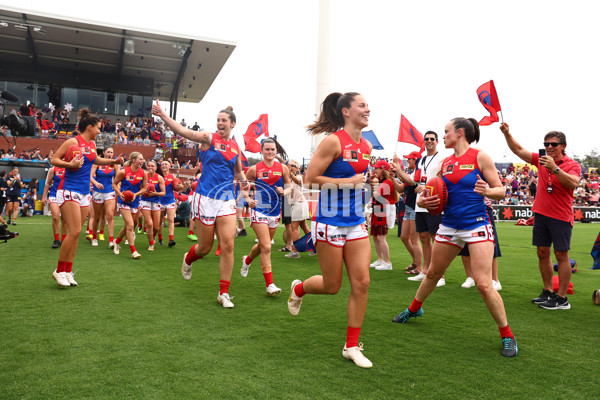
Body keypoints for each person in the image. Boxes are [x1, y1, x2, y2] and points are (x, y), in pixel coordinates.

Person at [392, 117, 517, 358]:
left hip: (477, 224)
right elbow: (423, 195)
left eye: (446, 131)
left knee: (483, 283)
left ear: (459, 133)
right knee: (432, 274)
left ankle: (507, 335)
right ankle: (414, 309)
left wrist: (487, 191)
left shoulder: (480, 157)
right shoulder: (445, 162)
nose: (443, 135)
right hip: (448, 226)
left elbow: (500, 190)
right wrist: (423, 201)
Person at [287, 92, 374, 368]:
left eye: (367, 105)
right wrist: (349, 182)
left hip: (356, 221)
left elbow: (358, 183)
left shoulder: (367, 146)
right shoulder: (333, 141)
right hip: (329, 221)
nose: (367, 109)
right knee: (332, 286)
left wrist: (361, 193)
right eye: (362, 105)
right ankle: (299, 288)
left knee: (362, 283)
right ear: (346, 111)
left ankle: (351, 346)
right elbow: (310, 179)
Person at [152, 101, 249, 309]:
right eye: (218, 120)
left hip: (226, 199)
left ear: (232, 124)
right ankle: (188, 258)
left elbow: (239, 172)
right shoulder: (208, 138)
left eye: (224, 120)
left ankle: (224, 293)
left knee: (228, 245)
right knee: (205, 248)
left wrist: (244, 182)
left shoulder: (235, 147)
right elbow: (182, 131)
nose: (220, 123)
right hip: (205, 198)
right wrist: (163, 116)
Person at [500, 123, 581, 310]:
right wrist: (507, 133)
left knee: (561, 254)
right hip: (541, 215)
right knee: (542, 253)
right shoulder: (541, 159)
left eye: (553, 144)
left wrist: (555, 168)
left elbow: (574, 183)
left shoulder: (572, 164)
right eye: (546, 144)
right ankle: (548, 292)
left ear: (563, 146)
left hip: (561, 216)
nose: (549, 147)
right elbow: (518, 150)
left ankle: (562, 298)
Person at [50, 108, 123, 287]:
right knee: (74, 231)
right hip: (69, 190)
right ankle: (59, 271)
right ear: (90, 127)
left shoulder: (91, 145)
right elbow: (54, 160)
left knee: (76, 235)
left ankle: (68, 271)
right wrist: (70, 164)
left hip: (84, 192)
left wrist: (113, 162)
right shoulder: (72, 141)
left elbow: (96, 160)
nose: (100, 131)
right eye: (98, 128)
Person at [240, 138, 290, 296]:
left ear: (276, 151)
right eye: (267, 149)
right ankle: (270, 285)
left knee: (263, 245)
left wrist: (284, 192)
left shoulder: (283, 168)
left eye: (272, 149)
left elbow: (290, 187)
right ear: (261, 151)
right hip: (259, 211)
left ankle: (247, 260)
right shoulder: (254, 169)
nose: (270, 152)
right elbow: (242, 186)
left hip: (275, 212)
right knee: (267, 247)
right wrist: (248, 200)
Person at [409, 131, 446, 286]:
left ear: (437, 141)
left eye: (432, 139)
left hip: (433, 203)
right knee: (423, 238)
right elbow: (413, 181)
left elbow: (440, 180)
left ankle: (440, 276)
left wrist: (425, 187)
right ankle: (425, 270)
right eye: (426, 139)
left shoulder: (442, 159)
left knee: (435, 238)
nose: (429, 141)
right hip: (420, 203)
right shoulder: (421, 160)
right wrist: (396, 170)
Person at [388, 154, 423, 276]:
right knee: (404, 237)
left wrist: (397, 165)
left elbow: (408, 181)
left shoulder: (418, 173)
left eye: (409, 158)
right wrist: (393, 179)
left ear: (415, 160)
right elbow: (400, 189)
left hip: (414, 208)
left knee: (415, 240)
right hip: (409, 208)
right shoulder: (410, 173)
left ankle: (419, 267)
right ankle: (416, 262)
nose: (407, 160)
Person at [112, 152, 147, 259]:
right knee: (131, 225)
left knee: (130, 224)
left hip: (135, 202)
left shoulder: (143, 173)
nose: (143, 161)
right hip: (123, 201)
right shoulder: (123, 172)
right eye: (140, 159)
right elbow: (114, 184)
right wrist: (120, 194)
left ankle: (116, 242)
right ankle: (134, 251)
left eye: (142, 159)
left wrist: (135, 195)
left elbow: (144, 188)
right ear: (134, 160)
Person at [368, 159, 398, 270]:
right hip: (379, 209)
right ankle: (380, 260)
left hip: (385, 209)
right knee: (376, 236)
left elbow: (376, 194)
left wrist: (371, 183)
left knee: (381, 236)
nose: (374, 169)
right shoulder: (382, 181)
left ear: (383, 169)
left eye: (377, 168)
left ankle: (387, 262)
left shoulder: (388, 182)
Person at [90, 147, 119, 248]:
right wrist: (96, 183)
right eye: (108, 152)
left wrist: (118, 190)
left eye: (112, 152)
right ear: (104, 153)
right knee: (97, 217)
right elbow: (89, 176)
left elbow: (117, 179)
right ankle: (94, 237)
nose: (110, 154)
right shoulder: (97, 162)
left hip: (109, 192)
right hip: (98, 192)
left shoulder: (115, 164)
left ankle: (111, 241)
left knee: (110, 215)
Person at [285, 159, 311, 258]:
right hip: (296, 204)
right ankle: (314, 247)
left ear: (297, 168)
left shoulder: (298, 177)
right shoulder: (288, 178)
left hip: (299, 203)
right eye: (289, 165)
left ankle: (295, 252)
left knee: (294, 227)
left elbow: (298, 181)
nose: (290, 167)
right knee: (304, 226)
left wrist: (290, 174)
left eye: (292, 165)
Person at [139, 160, 166, 251]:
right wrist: (143, 192)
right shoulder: (144, 176)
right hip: (145, 201)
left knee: (156, 227)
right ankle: (151, 244)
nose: (150, 167)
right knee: (149, 224)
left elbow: (163, 193)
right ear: (146, 167)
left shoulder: (159, 178)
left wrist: (155, 193)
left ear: (156, 167)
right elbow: (139, 187)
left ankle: (153, 236)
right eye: (149, 166)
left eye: (152, 166)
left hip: (156, 202)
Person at [158, 160, 183, 247]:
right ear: (161, 166)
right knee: (160, 221)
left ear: (169, 166)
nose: (164, 165)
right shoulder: (158, 176)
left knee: (171, 220)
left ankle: (171, 239)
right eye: (163, 164)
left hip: (170, 200)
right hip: (159, 200)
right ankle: (160, 239)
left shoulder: (173, 177)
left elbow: (180, 186)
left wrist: (180, 186)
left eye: (166, 164)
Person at [41, 166, 66, 248]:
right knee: (55, 217)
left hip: (67, 196)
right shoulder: (53, 169)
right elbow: (48, 183)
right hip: (54, 195)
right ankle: (56, 240)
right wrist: (44, 197)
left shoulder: (71, 167)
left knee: (65, 219)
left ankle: (64, 240)